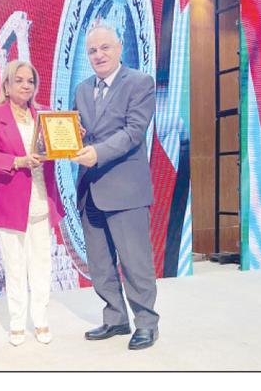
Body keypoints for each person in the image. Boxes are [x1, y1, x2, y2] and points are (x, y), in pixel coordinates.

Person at [71, 22, 160, 350]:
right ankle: (116, 318)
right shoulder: (82, 89)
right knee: (100, 263)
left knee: (135, 262)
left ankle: (146, 323)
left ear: (119, 47)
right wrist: (74, 135)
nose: (99, 55)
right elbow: (82, 132)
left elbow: (134, 131)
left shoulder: (140, 82)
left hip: (126, 190)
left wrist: (97, 152)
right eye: (92, 50)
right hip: (90, 189)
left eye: (105, 48)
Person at [0, 60, 65, 346]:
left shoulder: (45, 114)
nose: (26, 86)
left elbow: (59, 147)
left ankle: (41, 319)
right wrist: (18, 161)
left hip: (42, 201)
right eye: (19, 80)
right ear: (6, 85)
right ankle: (17, 321)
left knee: (42, 265)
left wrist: (73, 138)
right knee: (14, 266)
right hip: (10, 203)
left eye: (31, 81)